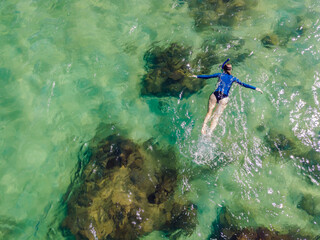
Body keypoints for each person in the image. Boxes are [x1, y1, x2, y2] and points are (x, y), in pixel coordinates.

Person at [192, 63, 263, 135]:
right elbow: (244, 84)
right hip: (224, 97)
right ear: (231, 69)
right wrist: (256, 88)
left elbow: (207, 76)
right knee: (216, 116)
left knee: (209, 112)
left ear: (224, 69)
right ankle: (210, 132)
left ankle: (203, 127)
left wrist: (196, 76)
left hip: (216, 94)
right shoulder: (233, 78)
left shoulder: (220, 74)